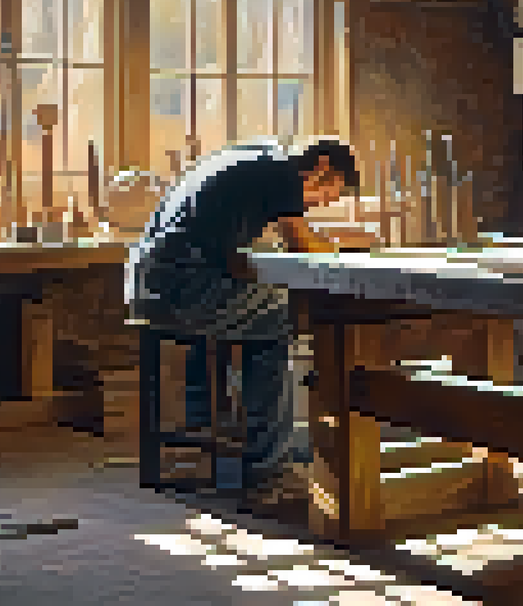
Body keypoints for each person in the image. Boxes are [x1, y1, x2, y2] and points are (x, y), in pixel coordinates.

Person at [125, 137, 372, 499]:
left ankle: (213, 426)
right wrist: (349, 249)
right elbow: (301, 245)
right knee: (280, 315)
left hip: (148, 285)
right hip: (181, 288)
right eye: (326, 195)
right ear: (321, 169)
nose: (319, 204)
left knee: (250, 313)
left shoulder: (251, 159)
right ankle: (267, 468)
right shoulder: (283, 174)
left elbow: (227, 246)